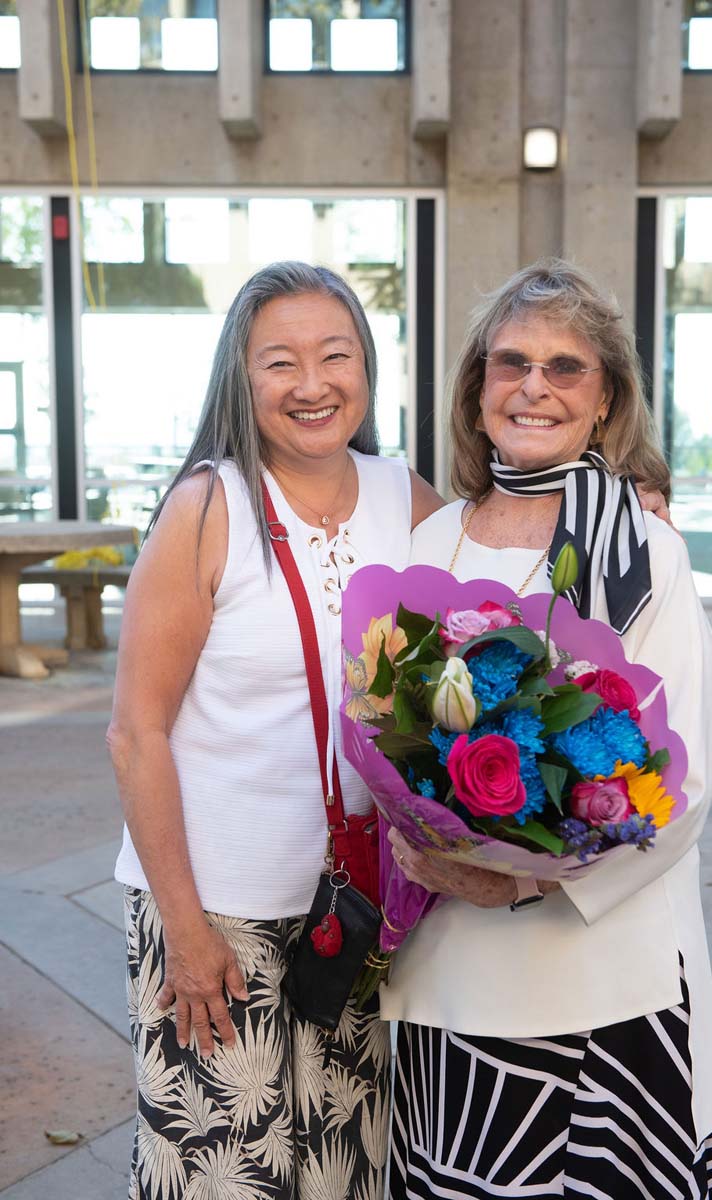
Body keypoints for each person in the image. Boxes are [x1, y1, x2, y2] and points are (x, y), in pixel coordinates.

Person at [383, 258, 712, 1200]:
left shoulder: (641, 546)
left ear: (605, 396)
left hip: (598, 971)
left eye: (565, 366)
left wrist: (521, 884)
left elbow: (682, 781)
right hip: (447, 966)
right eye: (510, 362)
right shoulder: (427, 541)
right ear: (477, 387)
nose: (533, 386)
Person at [107, 261, 441, 1199]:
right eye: (279, 362)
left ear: (366, 370)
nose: (311, 384)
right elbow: (137, 733)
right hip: (213, 910)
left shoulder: (403, 496)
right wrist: (183, 926)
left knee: (349, 1169)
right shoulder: (207, 508)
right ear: (240, 380)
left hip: (358, 911)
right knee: (223, 1176)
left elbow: (508, 570)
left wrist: (627, 502)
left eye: (336, 355)